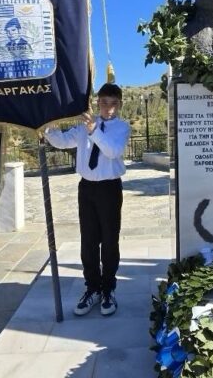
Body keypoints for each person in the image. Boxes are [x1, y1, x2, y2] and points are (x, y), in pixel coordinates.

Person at [43, 83, 131, 316]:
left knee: (109, 241)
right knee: (89, 241)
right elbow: (62, 141)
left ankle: (108, 290)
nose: (108, 108)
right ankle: (92, 287)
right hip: (87, 188)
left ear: (119, 105)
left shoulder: (121, 127)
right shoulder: (85, 128)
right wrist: (46, 126)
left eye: (113, 104)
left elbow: (112, 151)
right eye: (104, 103)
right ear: (97, 103)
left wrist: (94, 131)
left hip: (110, 188)